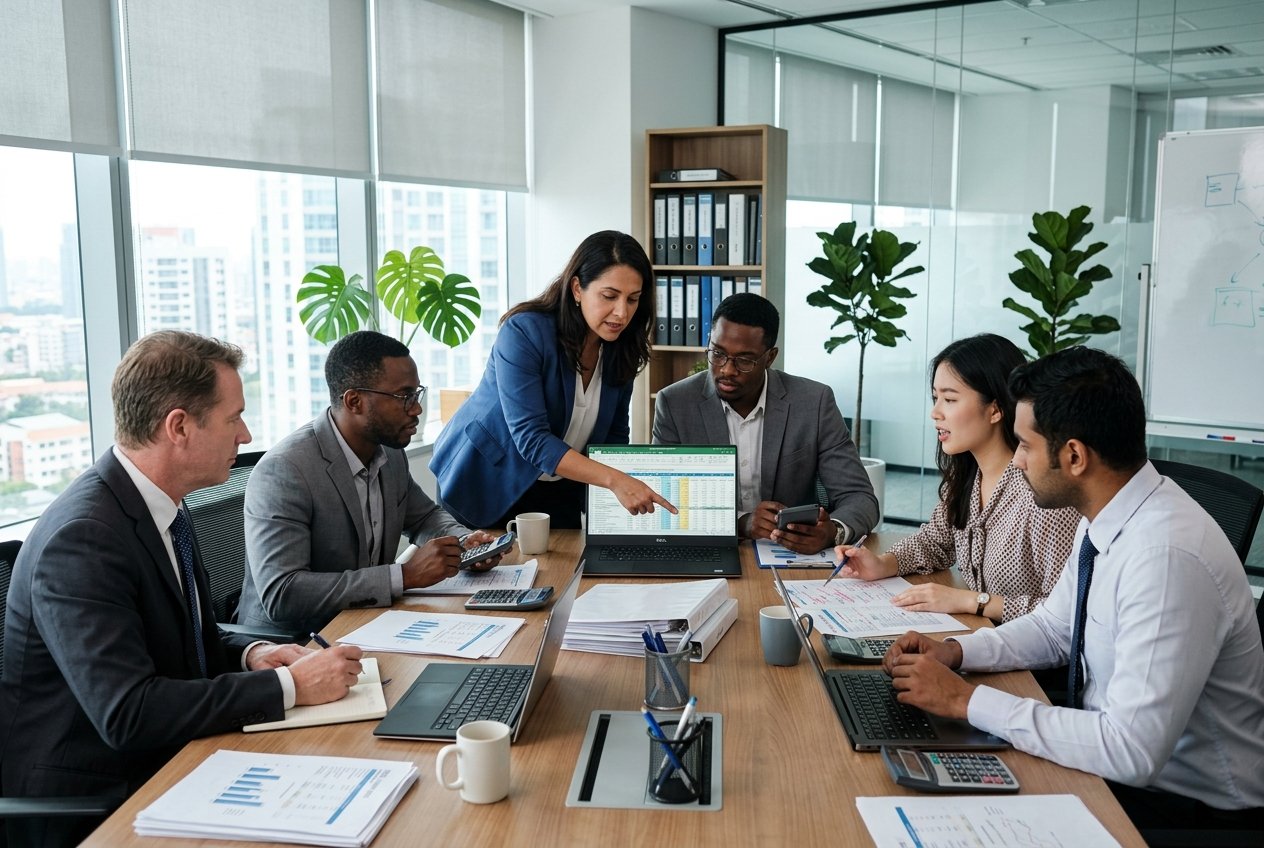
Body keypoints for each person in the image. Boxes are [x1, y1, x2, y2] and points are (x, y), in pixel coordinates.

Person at [0, 331, 363, 847]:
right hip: (100, 801)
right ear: (179, 427)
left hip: (174, 759)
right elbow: (128, 714)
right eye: (233, 416)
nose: (245, 434)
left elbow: (182, 636)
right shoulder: (82, 539)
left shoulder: (163, 504)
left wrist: (253, 654)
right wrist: (292, 687)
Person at [883, 346, 1264, 834]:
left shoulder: (1165, 558)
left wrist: (966, 701)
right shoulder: (1108, 510)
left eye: (1024, 445)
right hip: (1110, 760)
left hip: (1184, 809)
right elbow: (1055, 626)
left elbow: (1131, 752)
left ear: (1075, 456)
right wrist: (956, 652)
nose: (1015, 461)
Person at [238, 331, 503, 637]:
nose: (416, 409)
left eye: (417, 394)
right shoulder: (285, 470)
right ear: (354, 401)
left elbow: (423, 517)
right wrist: (403, 576)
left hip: (367, 622)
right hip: (296, 645)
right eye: (404, 397)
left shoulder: (388, 450)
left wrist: (464, 543)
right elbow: (283, 592)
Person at [431, 230, 677, 529]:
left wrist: (617, 513)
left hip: (561, 489)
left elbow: (613, 438)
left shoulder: (620, 347)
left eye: (633, 299)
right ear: (577, 288)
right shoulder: (524, 332)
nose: (622, 312)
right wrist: (616, 481)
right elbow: (531, 438)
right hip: (488, 482)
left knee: (563, 573)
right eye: (609, 296)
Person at [835, 334, 1079, 622]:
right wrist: (881, 564)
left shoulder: (1045, 494)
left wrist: (972, 601)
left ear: (996, 409)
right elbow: (934, 542)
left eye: (949, 399)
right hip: (985, 640)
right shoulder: (966, 478)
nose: (935, 412)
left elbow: (1067, 613)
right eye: (936, 398)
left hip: (1031, 661)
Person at [653, 292, 877, 553]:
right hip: (711, 550)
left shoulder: (814, 402)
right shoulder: (675, 403)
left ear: (770, 357)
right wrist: (740, 523)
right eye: (718, 353)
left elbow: (860, 497)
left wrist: (833, 532)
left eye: (745, 360)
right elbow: (664, 503)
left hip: (793, 558)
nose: (726, 369)